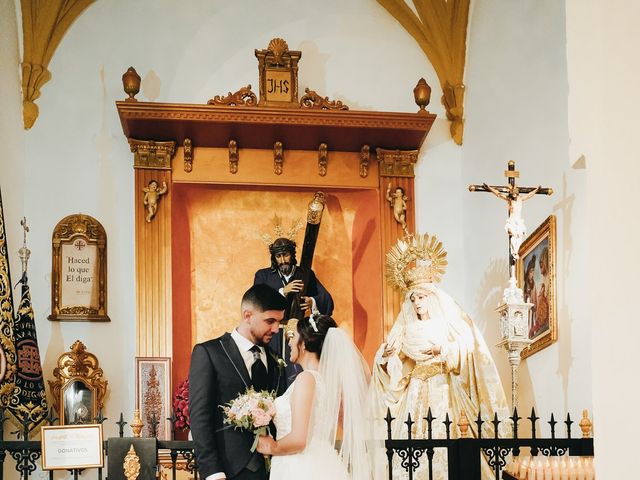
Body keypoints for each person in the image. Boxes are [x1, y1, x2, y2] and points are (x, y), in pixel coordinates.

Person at [372, 234, 508, 480]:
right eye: (413, 299)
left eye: (421, 297)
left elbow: (468, 348)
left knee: (449, 438)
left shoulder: (449, 323)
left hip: (443, 389)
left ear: (432, 296)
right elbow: (393, 365)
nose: (416, 303)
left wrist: (443, 351)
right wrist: (385, 357)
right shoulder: (405, 329)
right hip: (415, 390)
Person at [256, 314, 382, 480]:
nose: (289, 342)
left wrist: (271, 447)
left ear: (304, 344)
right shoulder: (324, 380)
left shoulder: (307, 378)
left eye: (294, 337)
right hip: (317, 460)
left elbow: (299, 439)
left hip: (300, 466)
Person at [189, 284, 288, 480]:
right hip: (228, 470)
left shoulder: (277, 361)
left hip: (274, 470)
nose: (276, 329)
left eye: (279, 322)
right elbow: (200, 417)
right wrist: (213, 472)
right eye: (270, 321)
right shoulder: (209, 353)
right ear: (247, 315)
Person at [254, 237, 334, 317]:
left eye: (286, 255)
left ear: (292, 255)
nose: (283, 261)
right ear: (274, 258)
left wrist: (312, 301)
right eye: (278, 256)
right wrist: (283, 291)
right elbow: (256, 302)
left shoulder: (305, 274)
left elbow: (327, 298)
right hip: (273, 328)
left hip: (299, 327)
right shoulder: (263, 275)